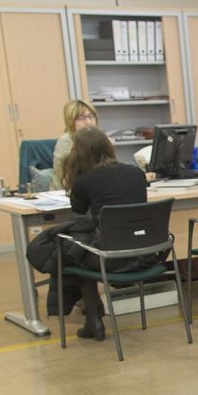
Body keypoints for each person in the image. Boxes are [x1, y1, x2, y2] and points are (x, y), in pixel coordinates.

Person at [61, 126, 149, 341]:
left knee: (74, 251)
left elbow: (78, 209)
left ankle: (93, 318)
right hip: (145, 253)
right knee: (83, 247)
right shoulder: (137, 173)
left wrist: (73, 176)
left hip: (110, 258)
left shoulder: (85, 181)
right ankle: (93, 315)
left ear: (78, 153)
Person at [52, 99, 99, 188]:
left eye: (91, 116)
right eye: (81, 118)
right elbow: (65, 178)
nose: (88, 122)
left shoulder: (99, 139)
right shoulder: (65, 141)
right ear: (71, 122)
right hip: (67, 190)